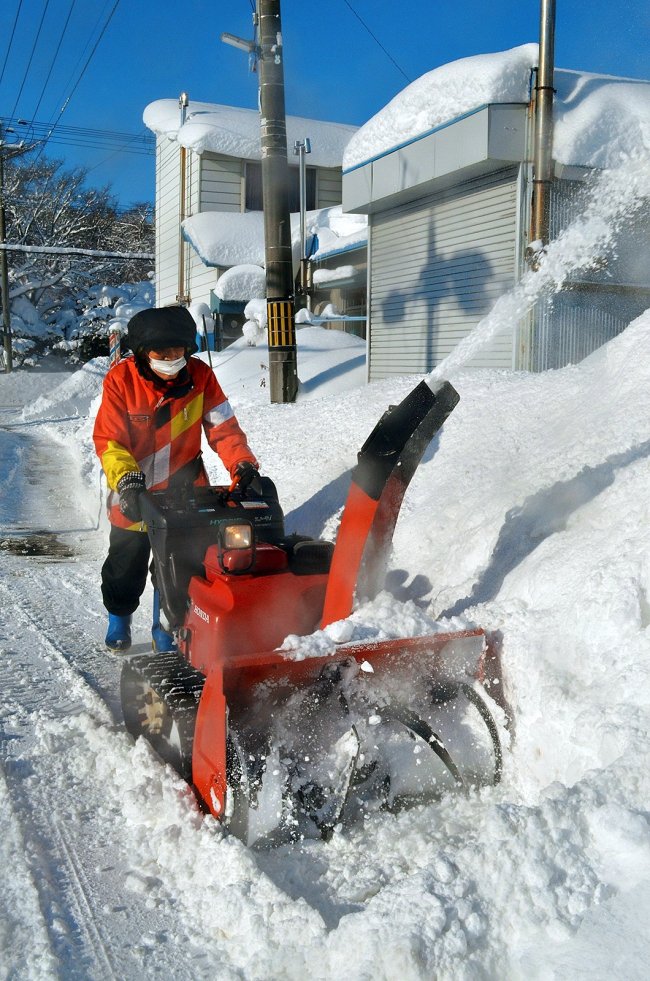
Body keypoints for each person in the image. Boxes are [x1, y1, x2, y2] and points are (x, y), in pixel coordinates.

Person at [93, 305, 260, 653]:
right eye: (162, 354)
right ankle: (118, 619)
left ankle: (168, 632)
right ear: (142, 354)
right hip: (133, 496)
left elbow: (222, 426)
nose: (172, 360)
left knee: (181, 569)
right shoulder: (121, 380)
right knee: (126, 567)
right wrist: (127, 481)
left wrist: (242, 465)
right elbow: (110, 440)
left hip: (185, 493)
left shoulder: (200, 376)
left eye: (178, 352)